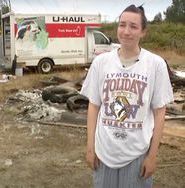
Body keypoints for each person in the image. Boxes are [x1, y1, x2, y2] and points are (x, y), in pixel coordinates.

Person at [80, 4, 174, 188]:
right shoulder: (101, 62)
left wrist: (152, 156)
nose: (126, 31)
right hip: (104, 152)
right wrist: (90, 148)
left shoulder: (155, 65)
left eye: (133, 26)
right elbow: (93, 106)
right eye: (122, 25)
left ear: (143, 32)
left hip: (137, 155)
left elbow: (159, 113)